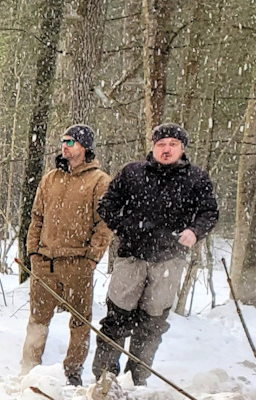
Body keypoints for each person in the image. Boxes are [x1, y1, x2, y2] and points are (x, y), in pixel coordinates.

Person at [92, 123, 219, 386]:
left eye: (172, 144)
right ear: (153, 146)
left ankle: (137, 378)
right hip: (131, 258)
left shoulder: (197, 179)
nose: (166, 149)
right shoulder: (132, 173)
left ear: (182, 148)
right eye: (161, 144)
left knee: (152, 324)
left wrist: (195, 232)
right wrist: (126, 228)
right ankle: (105, 377)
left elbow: (209, 213)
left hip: (169, 261)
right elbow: (107, 204)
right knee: (117, 318)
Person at [22, 124, 111, 385]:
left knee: (80, 322)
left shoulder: (99, 181)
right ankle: (29, 369)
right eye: (64, 141)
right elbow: (36, 217)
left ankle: (72, 372)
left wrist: (92, 258)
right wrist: (33, 251)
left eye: (71, 142)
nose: (65, 146)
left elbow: (104, 224)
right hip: (45, 262)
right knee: (38, 319)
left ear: (85, 148)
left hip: (77, 263)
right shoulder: (50, 178)